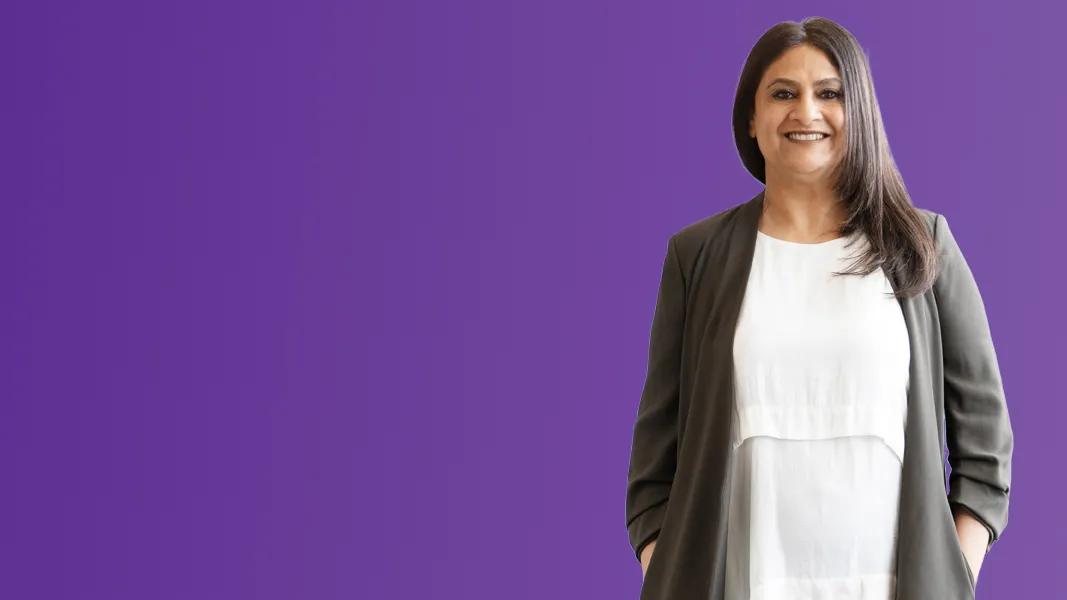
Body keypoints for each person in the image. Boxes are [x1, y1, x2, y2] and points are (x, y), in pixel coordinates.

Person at [624, 17, 1013, 600]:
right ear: (751, 120)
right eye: (783, 93)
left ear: (858, 113)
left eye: (829, 93)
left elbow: (985, 443)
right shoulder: (696, 257)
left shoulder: (922, 246)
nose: (806, 111)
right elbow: (654, 469)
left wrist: (953, 571)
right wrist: (670, 568)